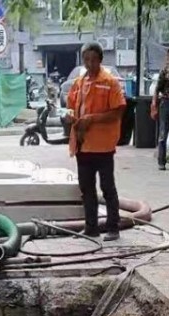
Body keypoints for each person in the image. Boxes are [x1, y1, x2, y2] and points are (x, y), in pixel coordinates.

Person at [66, 42, 126, 241]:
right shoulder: (79, 82)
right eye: (86, 60)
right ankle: (91, 227)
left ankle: (113, 227)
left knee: (107, 187)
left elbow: (118, 111)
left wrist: (92, 119)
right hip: (83, 145)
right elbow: (71, 107)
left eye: (93, 59)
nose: (90, 63)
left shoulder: (109, 82)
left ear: (100, 59)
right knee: (86, 189)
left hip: (103, 146)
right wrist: (68, 117)